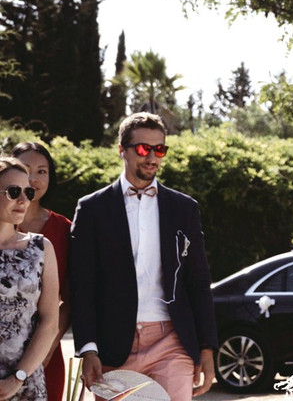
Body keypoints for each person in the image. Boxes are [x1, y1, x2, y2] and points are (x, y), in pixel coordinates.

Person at [69, 112, 218, 400]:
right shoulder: (92, 209)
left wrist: (207, 347)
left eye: (159, 149)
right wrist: (88, 348)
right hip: (113, 342)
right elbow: (82, 284)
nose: (152, 157)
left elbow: (198, 281)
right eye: (142, 148)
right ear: (121, 150)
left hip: (172, 340)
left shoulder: (184, 208)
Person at [12, 142, 72, 401]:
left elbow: (69, 300)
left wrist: (46, 350)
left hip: (46, 355)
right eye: (26, 169)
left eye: (42, 171)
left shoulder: (63, 229)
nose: (34, 179)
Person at [0, 157, 60, 400]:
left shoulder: (40, 247)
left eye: (28, 192)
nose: (24, 200)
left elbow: (50, 323)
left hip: (25, 384)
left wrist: (18, 377)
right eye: (14, 192)